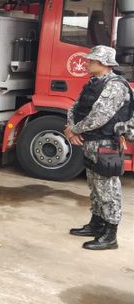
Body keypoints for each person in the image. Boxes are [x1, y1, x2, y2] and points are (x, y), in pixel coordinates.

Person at [65, 45, 131, 251]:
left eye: (90, 60)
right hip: (91, 143)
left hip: (106, 144)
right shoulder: (93, 83)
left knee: (108, 190)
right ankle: (97, 224)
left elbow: (99, 116)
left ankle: (110, 235)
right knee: (95, 186)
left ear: (102, 63)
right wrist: (71, 129)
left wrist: (73, 130)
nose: (86, 63)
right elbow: (74, 107)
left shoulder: (115, 86)